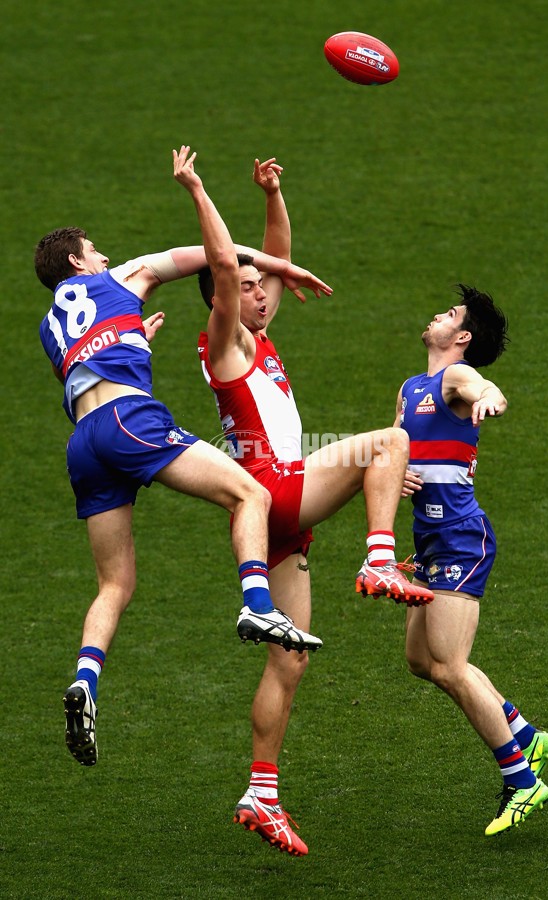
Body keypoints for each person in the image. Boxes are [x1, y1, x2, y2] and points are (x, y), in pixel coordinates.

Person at [36, 145, 332, 769]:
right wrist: (198, 190)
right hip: (128, 421)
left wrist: (134, 338)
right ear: (76, 260)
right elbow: (222, 261)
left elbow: (91, 361)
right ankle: (257, 607)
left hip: (84, 443)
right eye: (94, 249)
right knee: (247, 493)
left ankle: (85, 681)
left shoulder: (49, 324)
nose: (106, 255)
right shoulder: (124, 278)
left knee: (114, 584)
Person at [196, 157, 435, 856]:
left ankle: (261, 793)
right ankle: (382, 558)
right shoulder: (225, 342)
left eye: (262, 287)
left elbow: (278, 262)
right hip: (278, 487)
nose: (262, 293)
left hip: (276, 518)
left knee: (287, 660)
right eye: (246, 288)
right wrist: (200, 191)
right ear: (224, 299)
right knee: (389, 443)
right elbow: (221, 269)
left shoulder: (261, 340)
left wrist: (273, 194)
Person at [393, 285, 548, 836]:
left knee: (450, 662)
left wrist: (492, 397)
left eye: (451, 313)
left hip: (464, 538)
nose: (438, 312)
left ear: (461, 337)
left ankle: (521, 778)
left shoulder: (454, 379)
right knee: (422, 660)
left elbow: (484, 387)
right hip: (430, 540)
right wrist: (394, 476)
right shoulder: (410, 388)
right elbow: (394, 450)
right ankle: (526, 734)